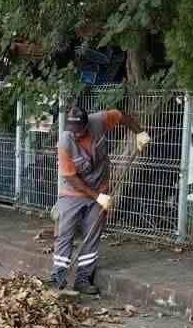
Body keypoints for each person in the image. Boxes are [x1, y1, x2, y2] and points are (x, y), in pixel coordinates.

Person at [52, 106, 149, 294]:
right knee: (65, 233)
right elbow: (71, 178)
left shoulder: (99, 121)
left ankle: (83, 279)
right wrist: (98, 197)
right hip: (73, 192)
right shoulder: (65, 142)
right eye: (73, 130)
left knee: (92, 235)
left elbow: (121, 115)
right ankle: (58, 277)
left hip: (99, 188)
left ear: (87, 125)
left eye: (79, 130)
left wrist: (140, 133)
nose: (76, 134)